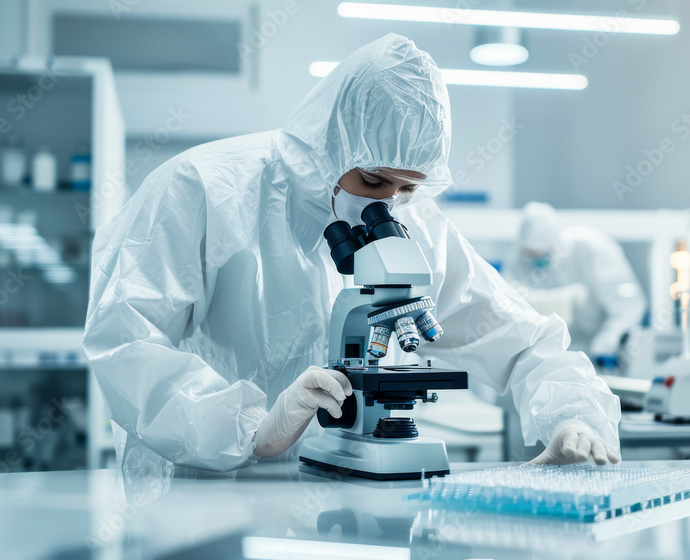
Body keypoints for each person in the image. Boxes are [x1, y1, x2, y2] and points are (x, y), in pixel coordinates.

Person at [83, 34, 621, 473]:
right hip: (205, 497)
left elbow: (521, 339)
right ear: (333, 138)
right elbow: (125, 341)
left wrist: (572, 416)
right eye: (372, 178)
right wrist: (250, 426)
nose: (387, 204)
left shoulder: (416, 225)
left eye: (407, 189)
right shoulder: (204, 189)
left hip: (342, 499)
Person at [503, 202, 647, 363]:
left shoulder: (590, 247)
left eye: (543, 254)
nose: (537, 261)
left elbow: (628, 306)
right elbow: (510, 305)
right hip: (553, 358)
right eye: (531, 255)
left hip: (599, 353)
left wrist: (605, 345)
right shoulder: (518, 259)